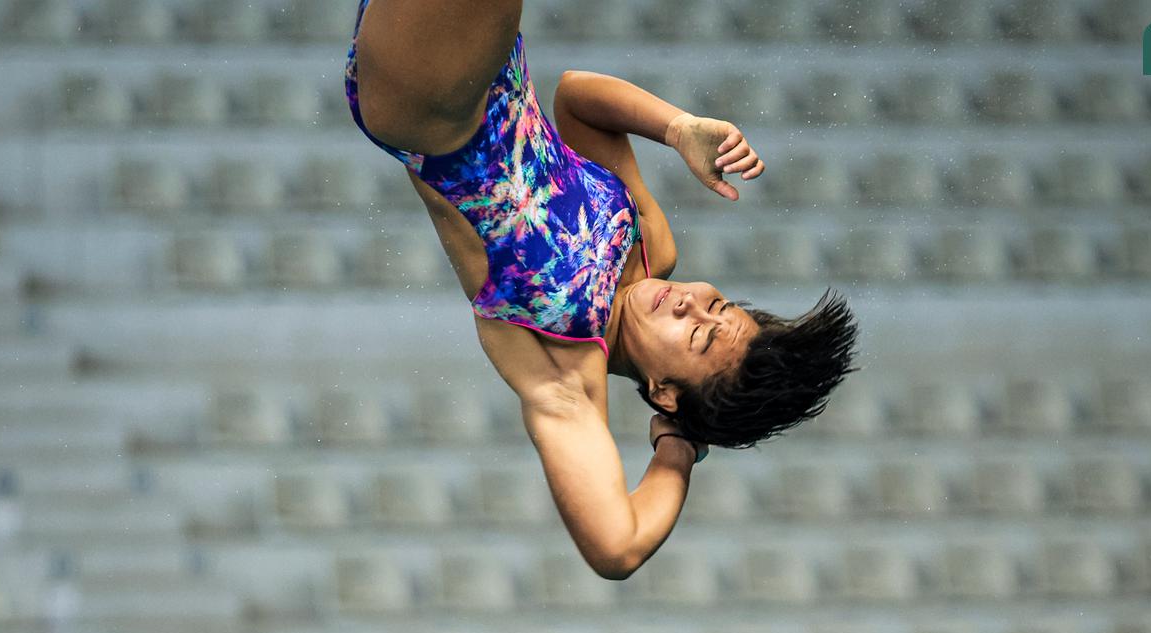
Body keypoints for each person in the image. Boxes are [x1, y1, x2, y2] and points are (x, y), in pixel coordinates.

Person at [344, 0, 859, 579]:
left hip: (433, 107)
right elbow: (576, 99)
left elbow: (618, 550)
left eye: (696, 335)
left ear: (665, 393)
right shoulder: (651, 246)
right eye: (718, 304)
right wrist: (678, 128)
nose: (690, 303)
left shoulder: (564, 376)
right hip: (495, 62)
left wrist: (678, 449)